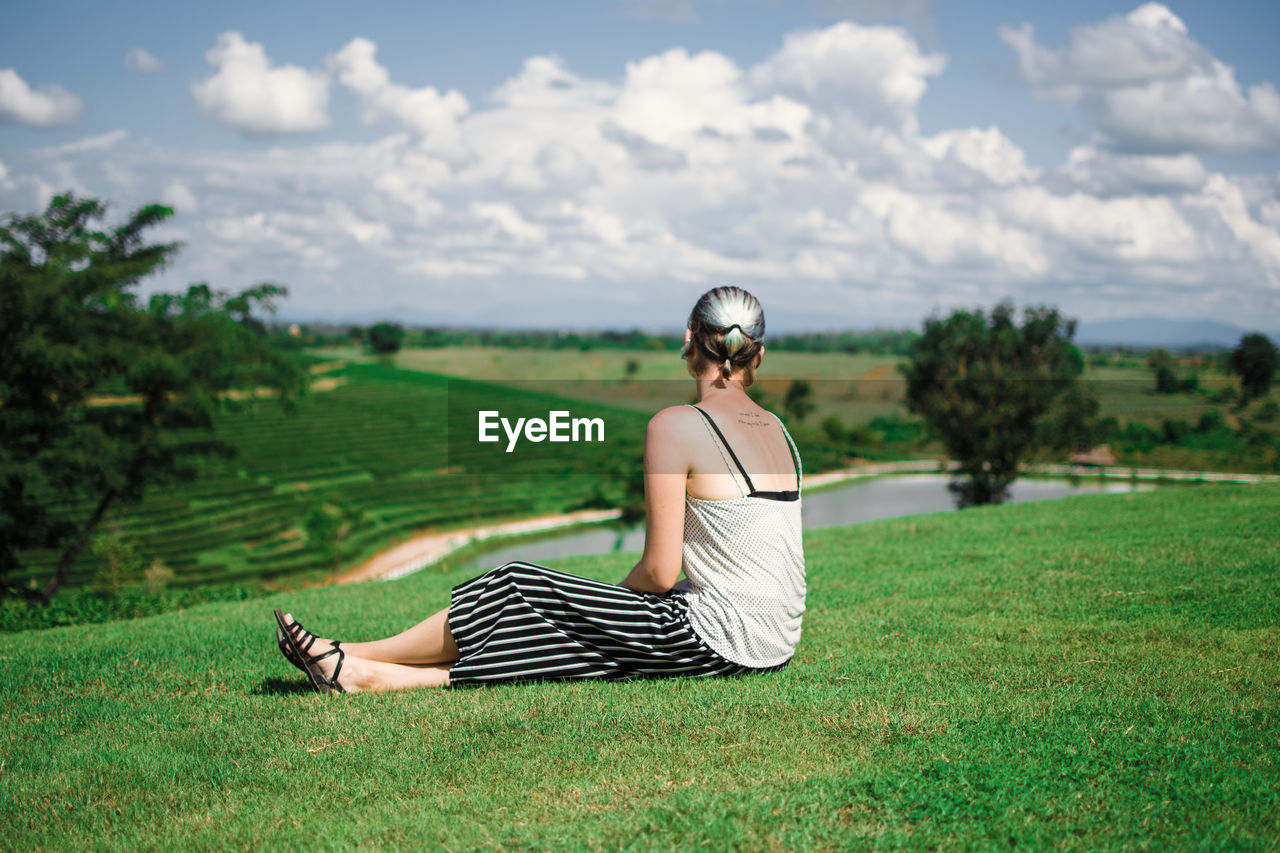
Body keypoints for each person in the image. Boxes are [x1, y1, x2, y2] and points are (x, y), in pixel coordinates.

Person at [274, 285, 805, 693]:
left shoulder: (674, 425)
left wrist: (604, 608)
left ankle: (348, 652)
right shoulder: (779, 430)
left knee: (517, 584)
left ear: (688, 343)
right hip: (776, 639)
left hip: (723, 636)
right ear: (757, 356)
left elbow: (660, 573)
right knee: (574, 640)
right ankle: (372, 676)